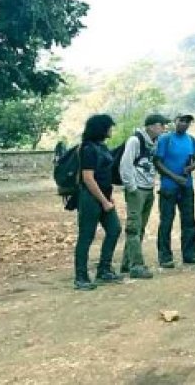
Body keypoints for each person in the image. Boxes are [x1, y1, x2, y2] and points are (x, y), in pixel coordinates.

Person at [74, 114, 123, 290]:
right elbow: (88, 178)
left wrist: (108, 197)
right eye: (109, 126)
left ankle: (104, 269)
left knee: (114, 229)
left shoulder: (101, 147)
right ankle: (80, 277)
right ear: (101, 128)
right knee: (86, 236)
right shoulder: (88, 148)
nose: (111, 129)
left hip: (104, 197)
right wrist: (103, 201)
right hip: (90, 198)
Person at [118, 113, 169, 279]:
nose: (164, 128)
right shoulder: (135, 141)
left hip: (147, 189)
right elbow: (125, 165)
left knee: (140, 227)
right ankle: (137, 265)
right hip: (137, 190)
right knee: (134, 227)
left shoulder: (153, 142)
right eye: (162, 125)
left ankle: (127, 262)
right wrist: (131, 187)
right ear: (152, 126)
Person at [154, 113, 195, 268]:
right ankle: (165, 257)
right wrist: (175, 177)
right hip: (168, 187)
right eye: (182, 120)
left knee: (189, 221)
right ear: (175, 121)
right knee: (166, 222)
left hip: (186, 186)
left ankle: (190, 254)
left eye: (187, 122)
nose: (184, 124)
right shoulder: (165, 139)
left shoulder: (191, 140)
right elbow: (157, 162)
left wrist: (190, 167)